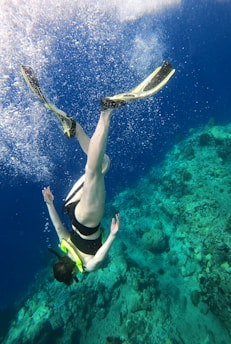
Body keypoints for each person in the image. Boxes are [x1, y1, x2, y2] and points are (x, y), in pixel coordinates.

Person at [21, 61, 175, 285]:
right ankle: (76, 129)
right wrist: (49, 203)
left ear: (72, 274)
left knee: (94, 170)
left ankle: (107, 112)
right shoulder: (64, 245)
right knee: (102, 164)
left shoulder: (86, 265)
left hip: (88, 220)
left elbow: (99, 258)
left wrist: (112, 235)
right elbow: (58, 226)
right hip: (70, 208)